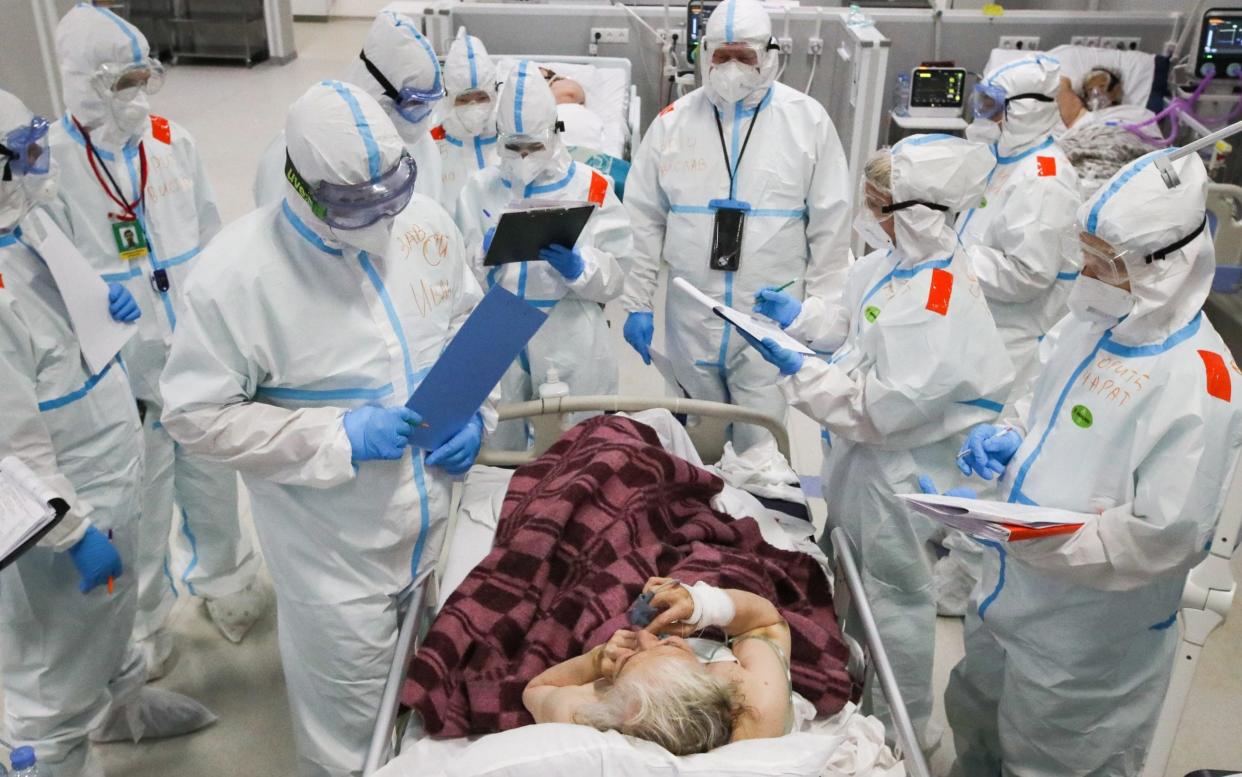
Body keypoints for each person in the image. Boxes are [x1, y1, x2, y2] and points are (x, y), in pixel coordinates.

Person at [160, 81, 496, 777]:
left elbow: (465, 322)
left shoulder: (426, 224)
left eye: (391, 194)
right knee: (350, 738)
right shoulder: (236, 277)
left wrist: (477, 415)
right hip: (338, 562)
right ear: (302, 185)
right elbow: (195, 418)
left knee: (443, 704)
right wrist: (334, 435)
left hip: (441, 528)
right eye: (355, 202)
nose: (380, 216)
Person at [942, 149, 1242, 776]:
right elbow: (1036, 402)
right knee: (976, 714)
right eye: (1087, 252)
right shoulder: (1091, 318)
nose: (1086, 271)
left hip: (1087, 636)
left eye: (1105, 262)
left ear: (1166, 265)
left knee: (1055, 760)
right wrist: (1007, 436)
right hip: (1009, 589)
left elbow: (1165, 536)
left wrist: (1035, 539)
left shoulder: (1200, 382)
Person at [745, 135, 1015, 748]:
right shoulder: (893, 263)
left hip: (899, 468)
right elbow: (853, 326)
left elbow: (878, 410)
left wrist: (796, 369)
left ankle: (902, 729)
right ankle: (854, 696)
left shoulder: (935, 298)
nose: (868, 211)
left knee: (893, 601)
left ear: (916, 210)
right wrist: (800, 320)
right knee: (854, 586)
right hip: (864, 462)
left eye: (878, 201)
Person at [0, 89, 214, 777]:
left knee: (110, 622)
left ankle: (125, 707)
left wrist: (101, 300)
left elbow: (61, 320)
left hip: (103, 461)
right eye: (26, 154)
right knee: (54, 673)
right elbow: (8, 446)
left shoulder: (23, 222)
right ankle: (44, 758)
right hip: (57, 517)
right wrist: (70, 530)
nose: (42, 163)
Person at [48, 3, 262, 670]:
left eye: (143, 79)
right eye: (120, 84)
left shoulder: (173, 141)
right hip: (121, 370)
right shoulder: (52, 165)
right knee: (143, 501)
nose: (136, 97)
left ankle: (223, 580)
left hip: (194, 351)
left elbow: (210, 235)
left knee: (213, 480)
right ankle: (145, 621)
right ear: (81, 82)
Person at [620, 0, 852, 453]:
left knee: (760, 443)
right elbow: (644, 218)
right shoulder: (672, 123)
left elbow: (831, 224)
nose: (731, 68)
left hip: (768, 311)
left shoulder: (807, 122)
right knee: (696, 445)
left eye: (743, 56)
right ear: (703, 54)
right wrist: (637, 301)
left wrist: (824, 315)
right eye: (720, 56)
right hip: (693, 311)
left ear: (769, 56)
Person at [455, 61, 631, 451]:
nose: (523, 158)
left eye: (533, 147)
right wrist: (481, 254)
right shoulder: (478, 188)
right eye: (512, 148)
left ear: (554, 133)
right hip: (497, 330)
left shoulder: (594, 187)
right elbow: (456, 281)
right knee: (499, 446)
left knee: (578, 448)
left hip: (570, 328)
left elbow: (619, 274)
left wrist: (581, 267)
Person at [523, 578, 795, 754]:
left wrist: (595, 661)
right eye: (671, 646)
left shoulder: (586, 716)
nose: (643, 635)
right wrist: (703, 604)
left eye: (628, 660)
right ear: (713, 682)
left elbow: (536, 688)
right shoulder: (756, 707)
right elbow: (769, 623)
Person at [959, 54, 1082, 396]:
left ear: (1026, 110)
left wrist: (952, 256)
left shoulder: (1045, 180)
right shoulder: (1007, 157)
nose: (982, 114)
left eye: (991, 105)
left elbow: (1028, 274)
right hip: (982, 319)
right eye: (980, 101)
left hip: (1012, 340)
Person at [253, 11, 446, 207]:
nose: (422, 118)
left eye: (429, 104)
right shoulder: (304, 149)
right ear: (378, 92)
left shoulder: (423, 146)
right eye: (414, 104)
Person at [432, 29, 499, 212]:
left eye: (481, 97)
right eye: (463, 99)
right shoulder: (433, 145)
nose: (474, 106)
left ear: (493, 95)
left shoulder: (510, 140)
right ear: (449, 99)